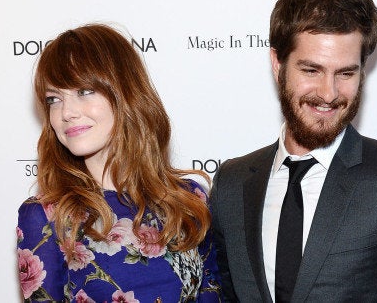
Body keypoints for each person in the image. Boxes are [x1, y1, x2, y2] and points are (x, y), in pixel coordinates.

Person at [210, 0, 377, 302]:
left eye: (345, 73)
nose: (328, 93)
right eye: (311, 70)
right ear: (277, 63)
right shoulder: (232, 182)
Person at [16, 23, 222, 302]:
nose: (66, 113)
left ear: (125, 92)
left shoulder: (188, 198)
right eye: (54, 99)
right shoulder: (46, 216)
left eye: (84, 91)